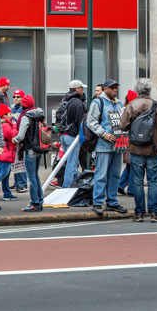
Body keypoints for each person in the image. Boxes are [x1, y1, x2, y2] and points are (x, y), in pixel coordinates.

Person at [120, 78, 157, 222]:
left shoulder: (132, 105)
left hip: (136, 149)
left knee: (137, 181)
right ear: (149, 90)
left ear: (137, 90)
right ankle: (154, 212)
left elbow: (123, 126)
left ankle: (139, 213)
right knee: (153, 181)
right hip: (154, 149)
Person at [86, 79, 127, 216]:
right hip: (104, 145)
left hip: (118, 145)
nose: (115, 90)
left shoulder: (118, 103)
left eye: (116, 87)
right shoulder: (98, 102)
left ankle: (112, 202)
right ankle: (97, 202)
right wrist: (103, 134)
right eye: (112, 87)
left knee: (115, 174)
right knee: (101, 174)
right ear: (105, 89)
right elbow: (91, 122)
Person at [14, 93, 46, 213]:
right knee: (36, 176)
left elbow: (21, 135)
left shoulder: (25, 117)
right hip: (39, 148)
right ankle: (40, 201)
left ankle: (34, 203)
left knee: (31, 178)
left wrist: (14, 139)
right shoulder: (39, 113)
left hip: (29, 148)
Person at [58, 80, 87, 190]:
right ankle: (67, 188)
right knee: (72, 163)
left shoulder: (65, 101)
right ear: (77, 89)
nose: (82, 90)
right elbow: (80, 121)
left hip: (63, 135)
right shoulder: (78, 103)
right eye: (81, 88)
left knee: (71, 161)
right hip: (72, 136)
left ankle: (76, 184)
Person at [0, 104, 18, 201]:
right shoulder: (6, 125)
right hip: (6, 152)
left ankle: (7, 193)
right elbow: (12, 136)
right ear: (4, 115)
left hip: (6, 151)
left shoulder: (5, 124)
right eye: (9, 113)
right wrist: (15, 126)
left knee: (6, 174)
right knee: (3, 172)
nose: (11, 115)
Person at [117, 90, 138, 196]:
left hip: (125, 140)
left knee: (130, 165)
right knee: (134, 164)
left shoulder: (122, 109)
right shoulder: (131, 111)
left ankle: (120, 185)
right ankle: (131, 189)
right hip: (131, 140)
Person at [10, 89, 28, 193]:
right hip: (14, 138)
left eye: (18, 97)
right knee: (16, 162)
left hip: (20, 139)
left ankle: (22, 184)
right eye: (14, 97)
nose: (16, 98)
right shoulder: (12, 108)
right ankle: (17, 183)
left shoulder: (23, 109)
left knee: (20, 162)